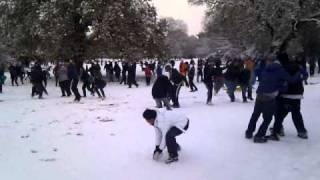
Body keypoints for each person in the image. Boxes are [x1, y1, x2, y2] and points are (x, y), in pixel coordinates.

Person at [245, 54, 303, 143]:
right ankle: (259, 136)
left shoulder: (265, 69)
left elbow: (264, 79)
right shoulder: (280, 70)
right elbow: (291, 80)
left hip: (259, 94)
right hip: (270, 97)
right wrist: (299, 73)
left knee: (255, 114)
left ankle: (249, 133)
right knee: (267, 118)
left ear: (269, 61)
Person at [268, 58, 308, 141]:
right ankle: (302, 131)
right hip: (297, 95)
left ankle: (278, 129)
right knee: (296, 113)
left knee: (279, 114)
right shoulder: (298, 67)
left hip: (285, 94)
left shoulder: (282, 69)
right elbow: (305, 75)